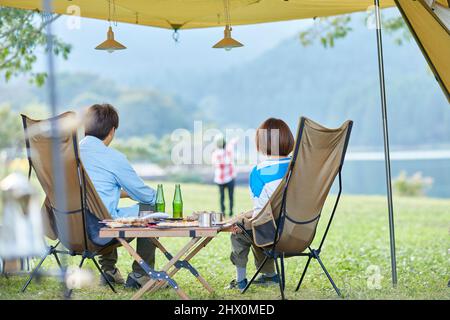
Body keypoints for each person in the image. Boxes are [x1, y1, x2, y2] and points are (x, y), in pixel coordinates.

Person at [80, 103, 156, 289]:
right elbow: (147, 197)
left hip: (71, 229)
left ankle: (109, 272)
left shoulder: (68, 154)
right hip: (102, 233)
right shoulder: (112, 158)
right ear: (112, 131)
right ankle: (141, 275)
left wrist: (120, 193)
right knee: (151, 210)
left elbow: (93, 193)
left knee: (105, 210)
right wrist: (149, 195)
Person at [227, 118, 294, 291]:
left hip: (274, 234)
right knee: (256, 225)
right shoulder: (299, 166)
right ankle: (270, 275)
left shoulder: (259, 172)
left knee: (241, 229)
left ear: (262, 143)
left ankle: (240, 281)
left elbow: (260, 214)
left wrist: (240, 218)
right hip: (300, 232)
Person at [211, 135, 238, 217]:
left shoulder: (215, 153)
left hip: (220, 179)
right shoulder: (228, 151)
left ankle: (223, 212)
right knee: (231, 196)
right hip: (229, 177)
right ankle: (230, 212)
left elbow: (214, 165)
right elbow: (231, 144)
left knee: (222, 197)